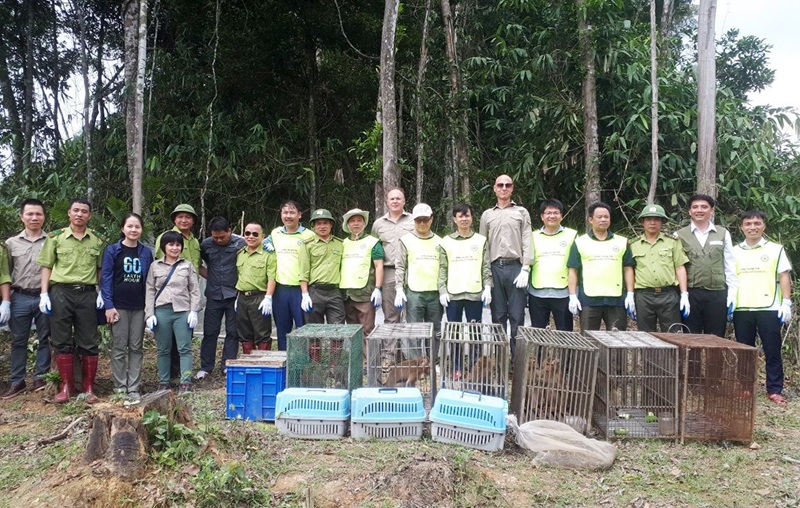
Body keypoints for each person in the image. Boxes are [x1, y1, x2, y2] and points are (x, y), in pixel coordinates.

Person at [37, 198, 105, 403]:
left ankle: (88, 388)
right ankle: (65, 386)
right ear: (69, 213)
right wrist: (43, 293)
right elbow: (47, 266)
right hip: (61, 292)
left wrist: (101, 292)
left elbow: (101, 269)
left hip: (87, 293)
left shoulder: (97, 240)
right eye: (76, 210)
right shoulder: (56, 238)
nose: (80, 214)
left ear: (89, 215)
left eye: (84, 211)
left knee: (89, 341)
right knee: (61, 340)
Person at [732, 211, 792, 406]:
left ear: (764, 226)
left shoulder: (776, 249)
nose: (752, 227)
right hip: (742, 308)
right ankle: (745, 388)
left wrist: (786, 302)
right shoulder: (734, 251)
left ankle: (774, 390)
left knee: (772, 349)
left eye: (757, 223)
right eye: (748, 224)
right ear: (741, 227)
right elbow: (730, 278)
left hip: (769, 307)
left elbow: (784, 276)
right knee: (745, 351)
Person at [100, 213, 153, 403]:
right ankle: (120, 386)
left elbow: (149, 281)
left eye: (137, 227)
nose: (133, 230)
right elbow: (105, 278)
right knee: (119, 347)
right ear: (122, 228)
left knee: (137, 347)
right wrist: (108, 305)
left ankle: (134, 387)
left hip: (139, 306)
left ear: (141, 229)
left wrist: (150, 309)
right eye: (129, 226)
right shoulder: (113, 250)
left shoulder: (146, 252)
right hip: (118, 306)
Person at [1, 199, 51, 399]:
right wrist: (6, 300)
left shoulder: (52, 241)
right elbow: (5, 272)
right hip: (19, 296)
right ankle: (17, 380)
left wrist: (47, 294)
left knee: (45, 338)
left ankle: (41, 376)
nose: (34, 218)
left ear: (43, 217)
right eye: (29, 214)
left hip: (44, 296)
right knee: (18, 340)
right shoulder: (10, 244)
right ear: (22, 217)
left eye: (38, 214)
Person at [479, 174, 532, 355]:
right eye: (500, 185)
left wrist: (526, 267)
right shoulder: (487, 215)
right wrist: (485, 277)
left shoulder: (521, 212)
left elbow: (527, 240)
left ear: (512, 188)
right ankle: (500, 359)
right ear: (494, 188)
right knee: (498, 316)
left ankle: (517, 362)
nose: (503, 188)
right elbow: (483, 245)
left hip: (516, 268)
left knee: (517, 316)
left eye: (507, 185)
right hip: (495, 268)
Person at [438, 203, 492, 374]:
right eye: (460, 216)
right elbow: (442, 268)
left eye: (467, 215)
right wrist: (442, 290)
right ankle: (456, 367)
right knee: (454, 333)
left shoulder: (481, 240)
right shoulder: (446, 242)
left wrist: (488, 287)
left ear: (471, 217)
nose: (464, 219)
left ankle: (476, 367)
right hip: (453, 294)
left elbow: (486, 266)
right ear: (454, 219)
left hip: (475, 294)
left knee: (475, 332)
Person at [675, 194, 738, 337]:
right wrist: (682, 294)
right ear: (689, 211)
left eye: (704, 207)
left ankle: (714, 361)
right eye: (695, 207)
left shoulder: (723, 233)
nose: (699, 210)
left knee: (716, 337)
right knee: (690, 337)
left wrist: (732, 292)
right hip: (691, 293)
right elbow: (677, 266)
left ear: (712, 210)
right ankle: (691, 361)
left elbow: (729, 263)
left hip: (717, 293)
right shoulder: (679, 235)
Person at [145, 231, 200, 394]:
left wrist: (194, 311)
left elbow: (194, 290)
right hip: (162, 311)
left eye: (178, 245)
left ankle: (185, 382)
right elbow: (149, 290)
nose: (175, 248)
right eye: (171, 244)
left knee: (185, 348)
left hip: (182, 312)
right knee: (163, 349)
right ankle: (164, 382)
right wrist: (149, 314)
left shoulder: (187, 265)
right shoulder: (155, 266)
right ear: (164, 247)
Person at [567, 201, 635, 332]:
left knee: (618, 340)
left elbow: (628, 269)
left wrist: (630, 294)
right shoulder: (580, 242)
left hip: (616, 299)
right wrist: (572, 295)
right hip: (589, 299)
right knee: (589, 341)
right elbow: (573, 270)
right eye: (599, 217)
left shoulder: (622, 242)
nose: (603, 219)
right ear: (591, 219)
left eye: (606, 217)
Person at [156, 203, 201, 381]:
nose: (184, 220)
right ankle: (170, 374)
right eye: (180, 216)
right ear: (174, 219)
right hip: (167, 298)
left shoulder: (194, 241)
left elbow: (198, 266)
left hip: (187, 297)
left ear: (193, 221)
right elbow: (158, 267)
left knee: (184, 340)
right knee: (167, 343)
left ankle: (183, 377)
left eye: (188, 217)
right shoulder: (165, 237)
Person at [196, 217, 245, 380]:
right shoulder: (206, 245)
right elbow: (198, 264)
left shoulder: (241, 244)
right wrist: (211, 278)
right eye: (215, 237)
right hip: (214, 295)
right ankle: (206, 367)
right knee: (210, 331)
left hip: (234, 295)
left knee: (233, 331)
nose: (218, 240)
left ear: (230, 230)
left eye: (222, 237)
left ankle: (227, 365)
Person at [263, 200, 315, 350]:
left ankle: (303, 363)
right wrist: (267, 244)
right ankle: (283, 359)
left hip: (301, 289)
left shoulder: (309, 235)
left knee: (302, 328)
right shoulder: (276, 233)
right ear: (281, 215)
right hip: (280, 289)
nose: (288, 216)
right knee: (282, 328)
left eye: (292, 212)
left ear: (300, 215)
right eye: (285, 212)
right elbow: (260, 242)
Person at [630, 204, 689, 333]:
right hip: (644, 295)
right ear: (643, 222)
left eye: (657, 219)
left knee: (673, 334)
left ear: (662, 222)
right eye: (648, 219)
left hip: (668, 294)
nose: (652, 223)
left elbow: (680, 267)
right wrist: (630, 295)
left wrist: (684, 294)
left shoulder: (672, 241)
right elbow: (630, 271)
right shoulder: (633, 244)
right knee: (646, 336)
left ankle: (672, 355)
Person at [395, 203, 443, 359]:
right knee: (413, 330)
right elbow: (400, 266)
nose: (422, 224)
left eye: (425, 220)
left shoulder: (440, 241)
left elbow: (444, 268)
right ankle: (415, 364)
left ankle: (433, 361)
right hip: (414, 292)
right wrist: (399, 289)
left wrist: (444, 291)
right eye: (418, 220)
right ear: (414, 221)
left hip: (435, 293)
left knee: (435, 330)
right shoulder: (406, 240)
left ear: (431, 219)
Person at [340, 208, 384, 366]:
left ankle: (369, 363)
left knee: (367, 329)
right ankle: (355, 361)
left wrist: (378, 288)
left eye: (359, 220)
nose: (356, 223)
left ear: (364, 223)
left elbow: (379, 266)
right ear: (347, 224)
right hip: (347, 294)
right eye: (352, 221)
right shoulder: (342, 243)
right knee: (352, 330)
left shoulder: (373, 242)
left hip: (365, 293)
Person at [528, 199, 577, 331]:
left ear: (561, 215)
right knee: (538, 333)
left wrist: (574, 294)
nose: (552, 216)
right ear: (542, 216)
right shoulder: (532, 236)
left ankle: (565, 353)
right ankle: (539, 353)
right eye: (548, 213)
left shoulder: (572, 235)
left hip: (563, 292)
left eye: (556, 213)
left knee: (565, 333)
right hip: (537, 292)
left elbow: (576, 265)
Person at [372, 188, 415, 324]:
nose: (395, 201)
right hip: (389, 272)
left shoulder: (415, 220)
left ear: (404, 201)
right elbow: (374, 249)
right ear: (387, 202)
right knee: (391, 317)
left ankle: (413, 345)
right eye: (392, 199)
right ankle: (391, 346)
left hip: (412, 271)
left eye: (398, 198)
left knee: (414, 317)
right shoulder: (378, 224)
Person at [299, 209, 345, 325]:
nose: (322, 226)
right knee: (313, 330)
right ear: (313, 226)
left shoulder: (340, 244)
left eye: (325, 223)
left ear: (331, 225)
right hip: (315, 292)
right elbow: (303, 271)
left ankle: (336, 344)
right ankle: (315, 344)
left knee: (337, 330)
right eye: (318, 223)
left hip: (335, 292)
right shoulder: (307, 245)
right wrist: (305, 294)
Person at [235, 222, 274, 354]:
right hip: (241, 298)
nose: (251, 236)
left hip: (259, 298)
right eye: (247, 233)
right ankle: (249, 364)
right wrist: (237, 296)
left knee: (262, 334)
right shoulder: (241, 253)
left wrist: (268, 297)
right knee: (244, 333)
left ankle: (263, 364)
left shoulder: (268, 254)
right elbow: (240, 276)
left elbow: (271, 278)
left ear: (263, 236)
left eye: (255, 234)